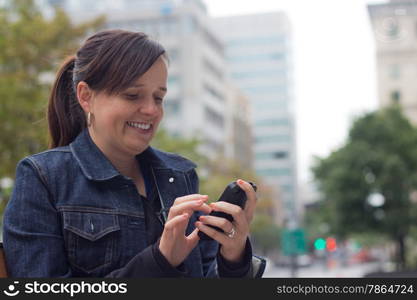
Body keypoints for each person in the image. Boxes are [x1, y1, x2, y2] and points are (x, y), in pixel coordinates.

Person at [2, 29, 265, 278]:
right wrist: (160, 260)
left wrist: (234, 256)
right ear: (86, 96)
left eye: (159, 98)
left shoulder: (180, 175)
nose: (151, 110)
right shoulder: (43, 177)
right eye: (132, 95)